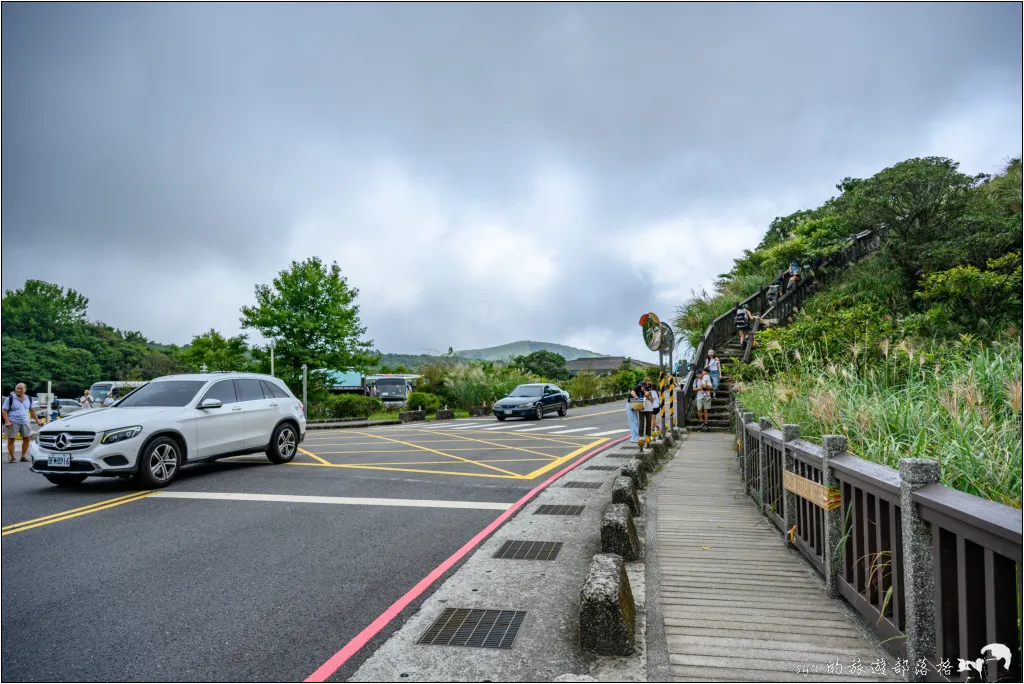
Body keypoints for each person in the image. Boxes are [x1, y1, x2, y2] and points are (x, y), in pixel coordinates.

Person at [3, 383, 43, 463]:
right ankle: (13, 457)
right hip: (12, 422)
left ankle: (23, 456)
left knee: (27, 439)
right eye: (17, 388)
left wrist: (37, 421)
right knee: (11, 440)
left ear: (25, 389)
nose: (18, 390)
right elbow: (4, 410)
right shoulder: (10, 398)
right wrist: (7, 421)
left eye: (21, 388)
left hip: (25, 421)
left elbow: (32, 410)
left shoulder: (29, 398)